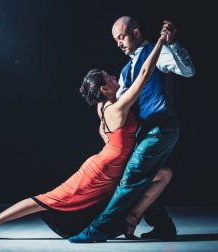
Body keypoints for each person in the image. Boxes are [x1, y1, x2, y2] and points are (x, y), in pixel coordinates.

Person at [0, 24, 169, 241]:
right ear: (103, 89)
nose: (113, 77)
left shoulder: (102, 106)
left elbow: (105, 132)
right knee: (47, 199)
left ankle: (132, 219)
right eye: (108, 77)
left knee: (164, 174)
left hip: (115, 166)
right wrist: (160, 42)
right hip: (100, 172)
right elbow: (145, 74)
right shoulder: (117, 108)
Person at [68, 17, 195, 243]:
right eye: (115, 40)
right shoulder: (126, 70)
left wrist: (172, 44)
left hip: (162, 126)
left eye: (121, 37)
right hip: (145, 131)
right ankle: (162, 226)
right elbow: (117, 100)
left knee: (133, 175)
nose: (118, 43)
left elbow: (188, 71)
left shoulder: (159, 53)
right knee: (144, 176)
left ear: (135, 33)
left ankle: (99, 229)